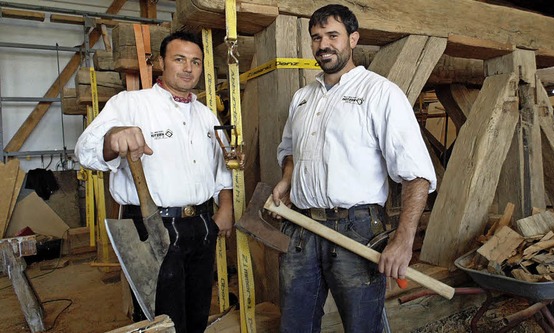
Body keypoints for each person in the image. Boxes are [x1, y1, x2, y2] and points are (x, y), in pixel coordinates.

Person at [271, 4, 438, 333]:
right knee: (295, 325)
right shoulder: (302, 98)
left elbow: (416, 173)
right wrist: (287, 180)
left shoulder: (380, 93)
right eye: (316, 38)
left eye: (333, 35)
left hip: (357, 229)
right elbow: (290, 150)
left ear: (353, 39)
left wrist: (404, 240)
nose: (323, 45)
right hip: (302, 229)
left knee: (363, 326)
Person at [75, 31, 233, 333]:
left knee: (198, 311)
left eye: (196, 62)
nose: (188, 68)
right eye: (179, 59)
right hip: (152, 227)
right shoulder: (130, 104)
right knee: (160, 319)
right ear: (161, 62)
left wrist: (224, 206)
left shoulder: (205, 113)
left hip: (200, 225)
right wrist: (113, 137)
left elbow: (222, 166)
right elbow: (84, 151)